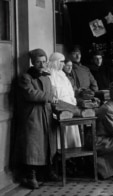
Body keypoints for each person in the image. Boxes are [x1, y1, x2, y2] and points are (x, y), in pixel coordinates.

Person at [17, 49, 58, 189]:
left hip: (46, 114)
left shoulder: (46, 77)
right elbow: (30, 94)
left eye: (44, 61)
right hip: (33, 116)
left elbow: (52, 93)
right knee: (32, 146)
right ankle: (30, 175)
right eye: (38, 62)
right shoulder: (26, 77)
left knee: (47, 143)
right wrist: (48, 97)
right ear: (33, 63)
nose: (41, 64)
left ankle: (47, 171)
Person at [47, 52, 81, 149]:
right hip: (59, 108)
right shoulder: (49, 75)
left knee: (71, 131)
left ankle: (73, 152)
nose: (63, 64)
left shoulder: (62, 75)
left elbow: (69, 90)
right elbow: (52, 93)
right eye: (61, 61)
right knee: (61, 133)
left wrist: (73, 102)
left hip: (69, 106)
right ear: (55, 62)